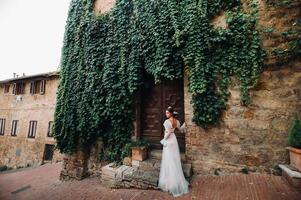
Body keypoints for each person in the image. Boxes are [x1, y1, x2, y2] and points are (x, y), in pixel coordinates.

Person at [158, 106, 189, 197]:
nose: (166, 114)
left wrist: (163, 140)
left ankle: (170, 184)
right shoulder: (177, 121)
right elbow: (181, 130)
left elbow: (167, 132)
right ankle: (176, 182)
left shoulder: (166, 122)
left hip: (168, 141)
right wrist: (184, 125)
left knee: (169, 161)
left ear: (171, 113)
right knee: (174, 161)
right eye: (166, 112)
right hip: (174, 141)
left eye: (167, 113)